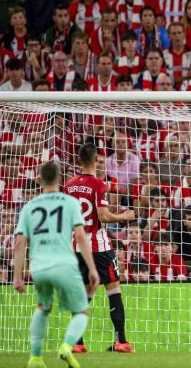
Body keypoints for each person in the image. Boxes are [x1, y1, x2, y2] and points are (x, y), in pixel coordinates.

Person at [12, 161, 99, 368]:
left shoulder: (29, 207)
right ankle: (67, 347)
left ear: (39, 180)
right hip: (65, 265)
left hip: (39, 267)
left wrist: (17, 276)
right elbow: (80, 235)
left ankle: (35, 357)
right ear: (60, 179)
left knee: (42, 308)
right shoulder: (70, 203)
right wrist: (92, 268)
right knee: (81, 312)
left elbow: (19, 242)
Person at [64, 143, 136, 353]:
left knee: (84, 293)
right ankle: (121, 341)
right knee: (113, 289)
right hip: (98, 246)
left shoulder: (69, 185)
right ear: (96, 160)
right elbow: (103, 216)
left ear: (79, 160)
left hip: (77, 246)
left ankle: (78, 343)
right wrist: (124, 216)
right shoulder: (99, 185)